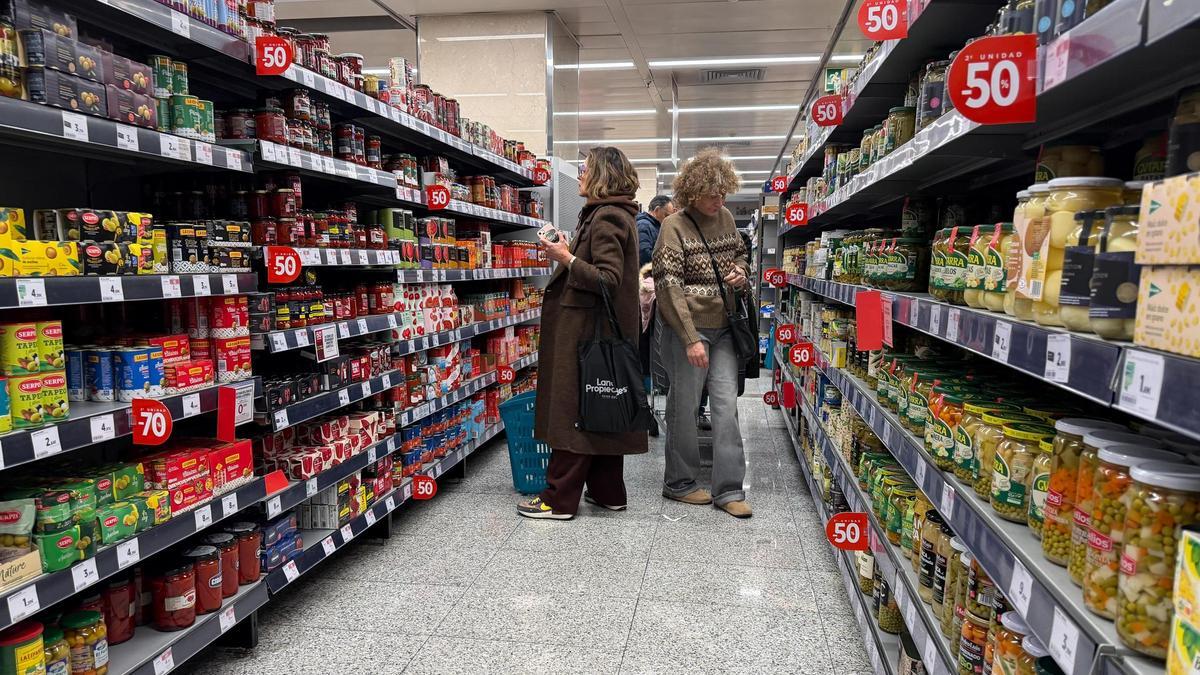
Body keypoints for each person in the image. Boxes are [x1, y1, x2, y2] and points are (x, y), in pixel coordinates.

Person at [518, 146, 647, 520]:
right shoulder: (611, 214)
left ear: (602, 176)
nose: (580, 176)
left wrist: (566, 258)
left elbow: (607, 278)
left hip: (589, 333)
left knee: (572, 412)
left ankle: (558, 500)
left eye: (585, 169)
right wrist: (571, 249)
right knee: (600, 411)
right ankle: (609, 493)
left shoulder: (606, 217)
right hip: (600, 331)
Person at [652, 148, 752, 518]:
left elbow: (740, 255)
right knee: (685, 407)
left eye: (723, 193)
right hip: (687, 333)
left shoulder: (725, 218)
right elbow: (668, 287)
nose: (719, 200)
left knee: (727, 406)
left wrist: (741, 273)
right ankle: (679, 482)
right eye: (712, 194)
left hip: (725, 328)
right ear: (692, 192)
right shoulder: (672, 227)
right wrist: (690, 336)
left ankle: (727, 490)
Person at [637, 195, 675, 266]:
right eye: (666, 215)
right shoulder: (644, 225)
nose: (668, 220)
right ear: (657, 210)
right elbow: (644, 255)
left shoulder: (654, 226)